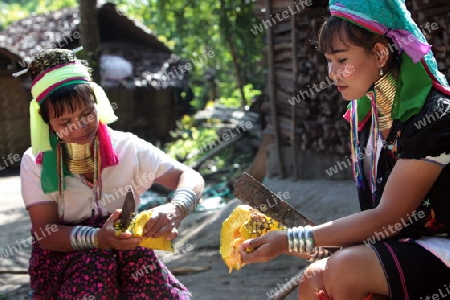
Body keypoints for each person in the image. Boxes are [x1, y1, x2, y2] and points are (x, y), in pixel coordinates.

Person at [240, 0, 450, 299]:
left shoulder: (435, 117)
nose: (332, 73)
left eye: (341, 60)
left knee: (345, 269)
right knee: (314, 279)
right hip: (406, 244)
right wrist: (307, 243)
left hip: (442, 244)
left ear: (379, 54)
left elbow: (390, 216)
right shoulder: (367, 119)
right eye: (329, 61)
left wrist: (293, 239)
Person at [18, 48, 204, 299]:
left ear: (97, 104)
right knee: (94, 267)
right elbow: (47, 234)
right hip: (64, 259)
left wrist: (175, 209)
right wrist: (98, 238)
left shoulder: (128, 147)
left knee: (144, 272)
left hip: (126, 250)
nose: (80, 127)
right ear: (47, 122)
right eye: (65, 122)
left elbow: (189, 176)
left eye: (87, 114)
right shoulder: (34, 162)